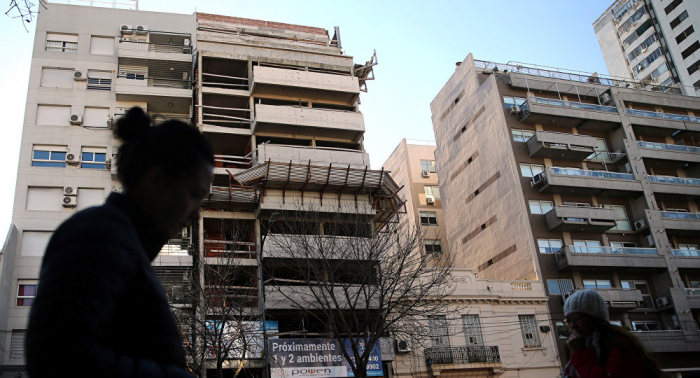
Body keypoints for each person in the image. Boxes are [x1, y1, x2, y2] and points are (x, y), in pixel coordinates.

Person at [26, 107, 214, 378]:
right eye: (194, 194)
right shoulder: (98, 235)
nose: (196, 213)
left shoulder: (119, 243)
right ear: (156, 180)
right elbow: (58, 356)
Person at [562, 289, 661, 378]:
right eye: (569, 320)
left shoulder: (620, 345)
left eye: (577, 317)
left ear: (595, 318)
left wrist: (580, 352)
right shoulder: (579, 347)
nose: (572, 325)